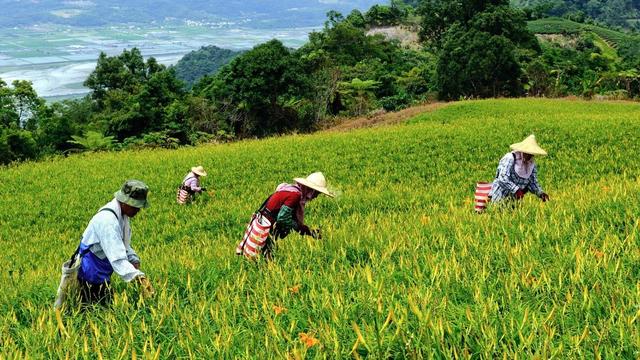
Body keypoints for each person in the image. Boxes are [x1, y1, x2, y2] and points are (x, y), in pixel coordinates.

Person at [74, 180, 154, 305]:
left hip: (102, 269)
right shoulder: (108, 221)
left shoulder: (123, 216)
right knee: (95, 307)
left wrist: (133, 260)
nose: (138, 210)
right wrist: (139, 277)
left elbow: (124, 244)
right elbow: (117, 258)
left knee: (105, 305)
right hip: (91, 272)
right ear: (124, 201)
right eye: (135, 206)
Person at [236, 172, 334, 260]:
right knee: (264, 257)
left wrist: (308, 231)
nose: (316, 196)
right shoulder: (294, 195)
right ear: (310, 190)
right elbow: (283, 218)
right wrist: (299, 228)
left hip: (265, 223)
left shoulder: (290, 190)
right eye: (316, 193)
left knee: (265, 256)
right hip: (267, 227)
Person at [489, 134, 550, 204]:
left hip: (515, 200)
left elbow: (532, 182)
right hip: (500, 196)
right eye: (528, 153)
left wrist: (540, 194)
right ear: (523, 151)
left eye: (532, 154)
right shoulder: (510, 158)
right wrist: (516, 190)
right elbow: (502, 178)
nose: (530, 155)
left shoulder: (531, 164)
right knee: (499, 213)